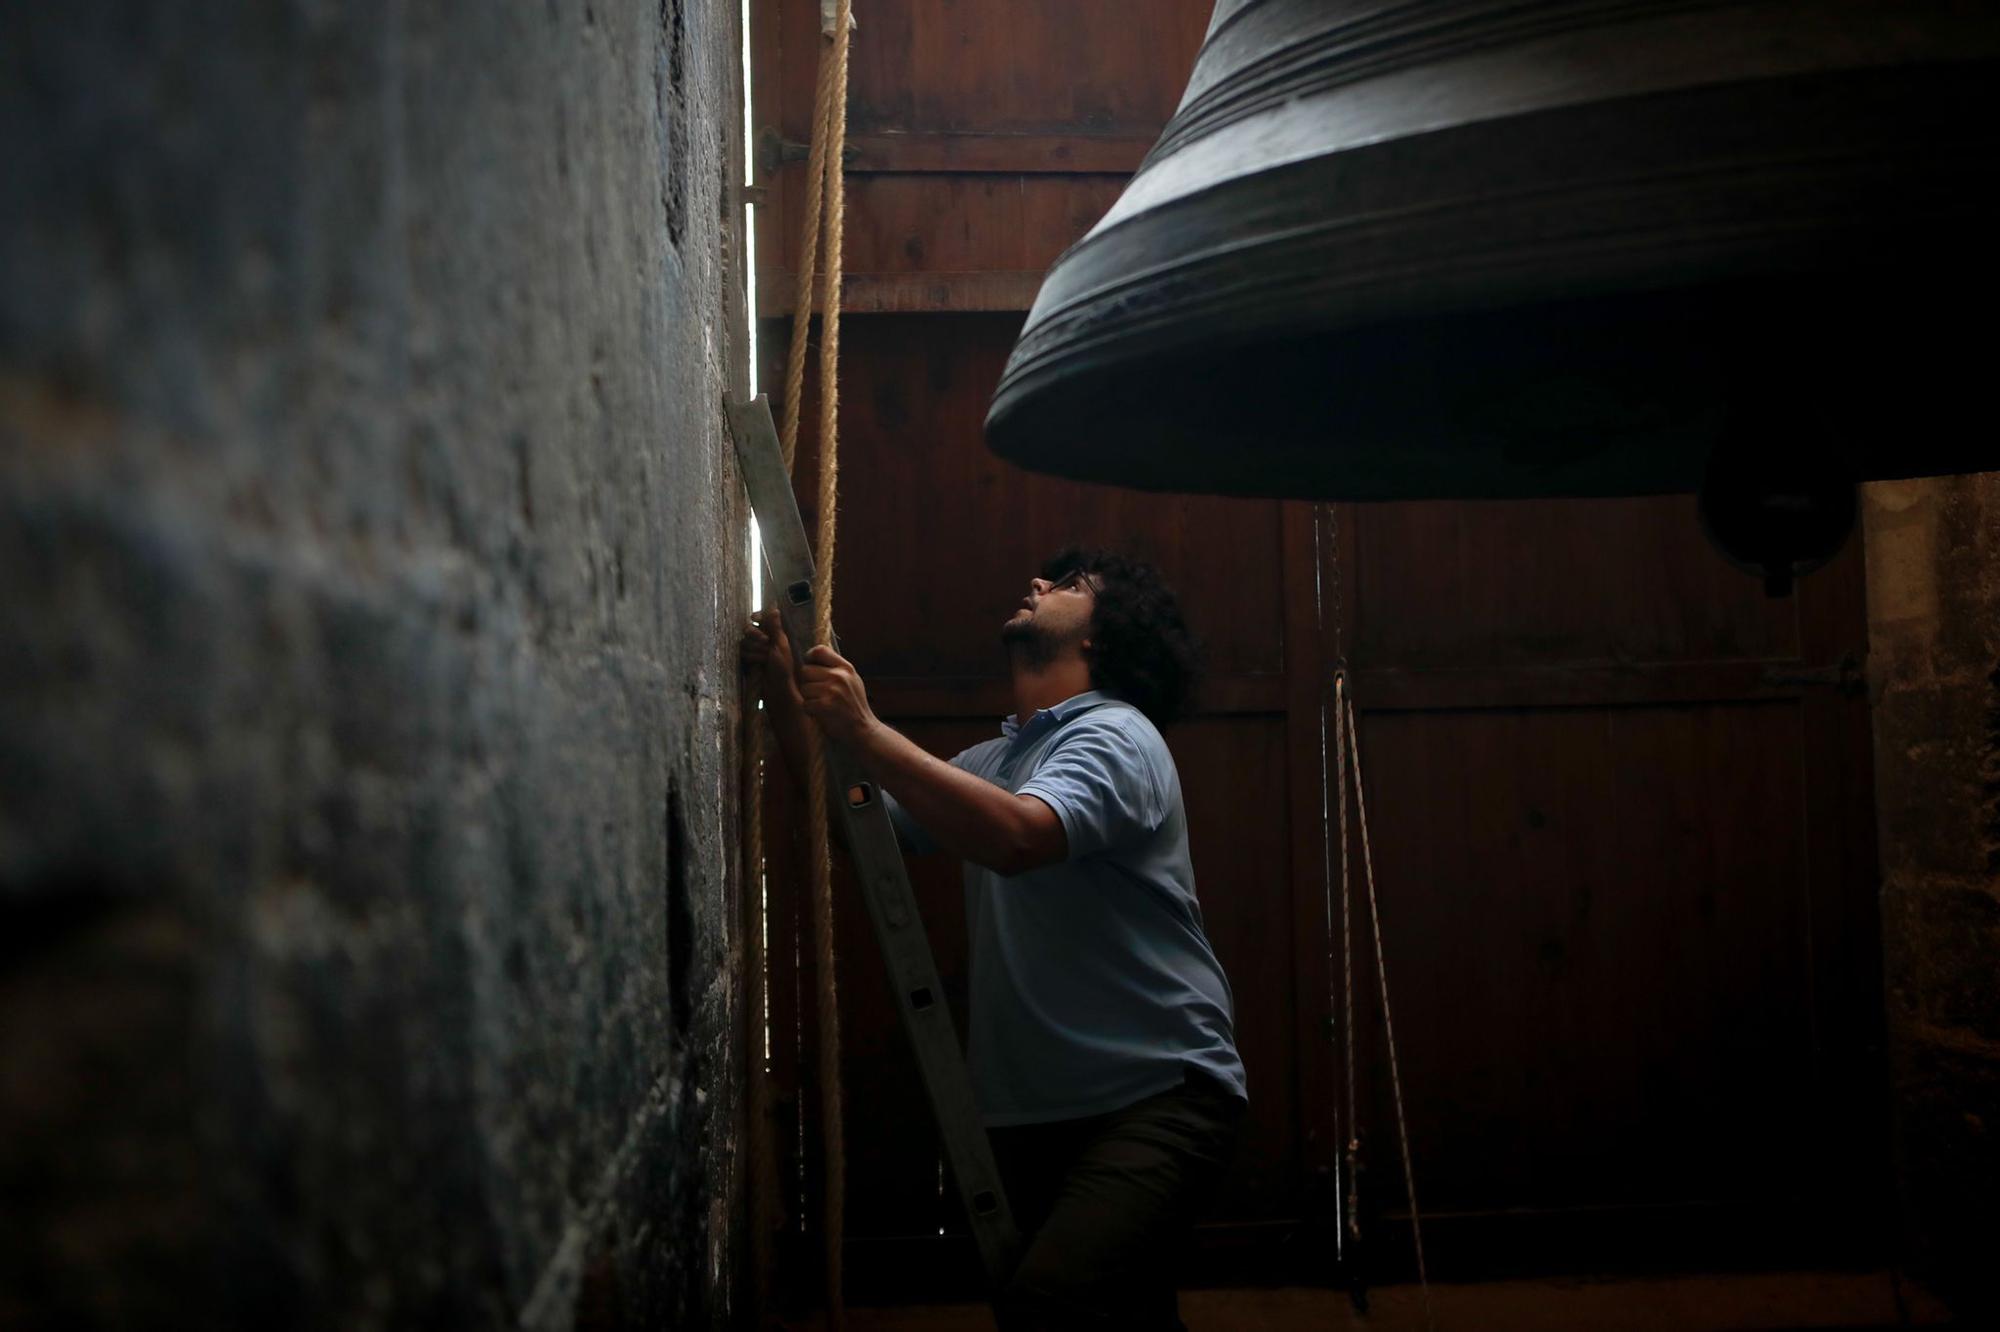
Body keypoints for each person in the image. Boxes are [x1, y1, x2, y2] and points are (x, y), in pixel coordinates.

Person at [744, 547, 1245, 1331]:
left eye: (1070, 586)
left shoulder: (1118, 734)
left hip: (1154, 1098)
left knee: (1052, 1303)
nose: (1039, 584)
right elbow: (861, 822)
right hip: (1034, 1109)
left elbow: (1018, 839)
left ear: (1100, 640)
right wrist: (783, 691)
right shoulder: (1005, 755)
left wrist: (867, 730)